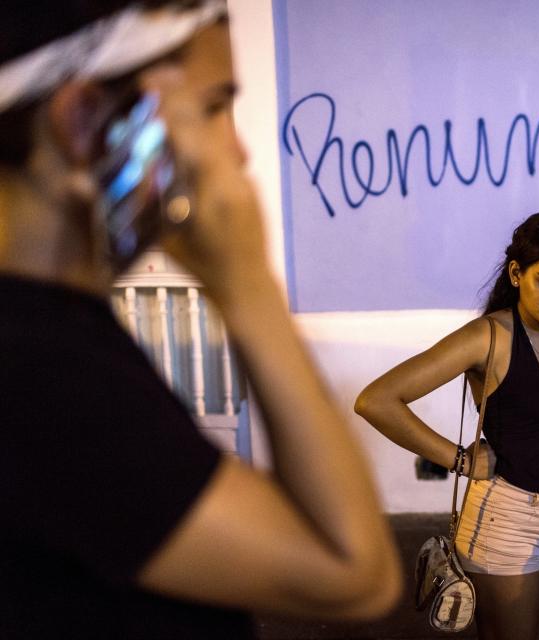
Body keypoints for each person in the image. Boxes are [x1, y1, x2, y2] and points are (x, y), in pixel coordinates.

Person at [0, 1, 401, 637]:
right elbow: (355, 575)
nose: (238, 150)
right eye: (214, 107)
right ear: (82, 120)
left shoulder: (50, 334)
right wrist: (245, 282)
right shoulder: (36, 367)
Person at [356, 212, 539, 640]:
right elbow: (376, 400)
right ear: (516, 273)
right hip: (506, 522)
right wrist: (460, 459)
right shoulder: (489, 336)